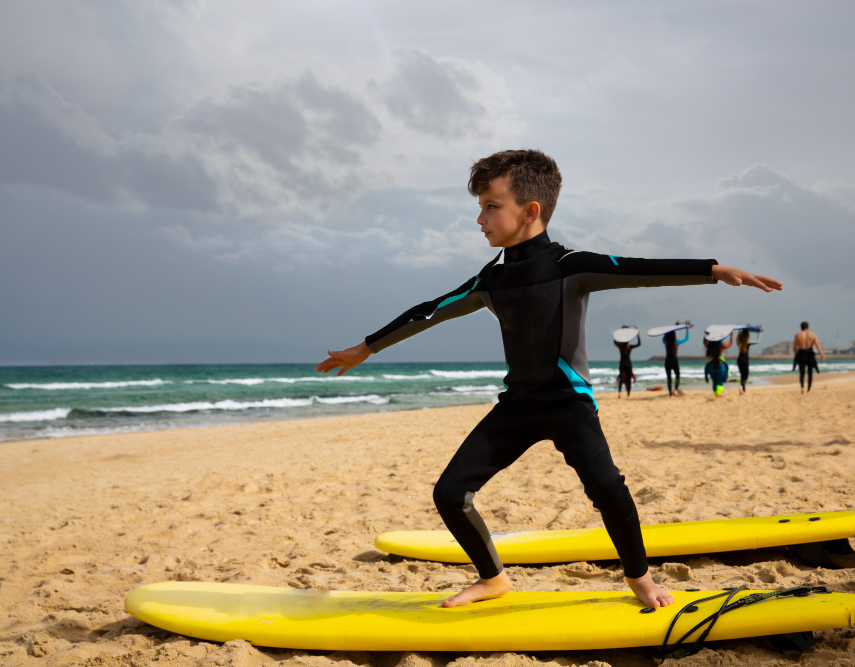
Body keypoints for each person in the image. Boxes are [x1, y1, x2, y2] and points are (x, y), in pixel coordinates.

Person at [317, 149, 782, 610]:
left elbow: (640, 269)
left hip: (569, 405)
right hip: (516, 407)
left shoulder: (569, 266)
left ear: (530, 211)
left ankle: (639, 578)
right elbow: (430, 311)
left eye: (490, 206)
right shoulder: (490, 279)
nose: (480, 218)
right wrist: (367, 348)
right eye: (480, 207)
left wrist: (713, 271)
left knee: (607, 487)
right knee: (450, 493)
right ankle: (493, 578)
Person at [793, 321, 825, 394]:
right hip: (810, 354)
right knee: (810, 373)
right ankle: (809, 390)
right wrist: (822, 354)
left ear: (801, 327)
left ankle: (802, 387)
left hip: (801, 354)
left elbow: (794, 348)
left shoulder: (798, 335)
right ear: (808, 327)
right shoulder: (813, 335)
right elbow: (817, 345)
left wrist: (796, 355)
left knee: (802, 373)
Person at [663, 324, 689, 397]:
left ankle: (670, 395)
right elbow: (686, 338)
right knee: (677, 375)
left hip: (667, 360)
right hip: (674, 360)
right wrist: (687, 330)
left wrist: (665, 332)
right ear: (674, 335)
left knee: (669, 377)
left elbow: (663, 339)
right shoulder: (676, 342)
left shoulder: (666, 342)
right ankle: (675, 390)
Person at [704, 332, 733, 397]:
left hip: (711, 366)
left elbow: (704, 342)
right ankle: (718, 393)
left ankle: (716, 395)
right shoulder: (722, 346)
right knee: (720, 381)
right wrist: (731, 334)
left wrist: (705, 335)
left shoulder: (710, 346)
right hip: (721, 365)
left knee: (714, 381)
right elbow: (731, 343)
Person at [614, 329, 639, 398]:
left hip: (622, 364)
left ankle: (619, 392)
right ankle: (628, 394)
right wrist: (638, 336)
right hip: (628, 364)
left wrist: (616, 335)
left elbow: (615, 342)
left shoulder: (620, 347)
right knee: (629, 379)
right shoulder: (629, 347)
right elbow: (638, 344)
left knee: (621, 379)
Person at [736, 329, 757, 395]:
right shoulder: (747, 343)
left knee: (742, 375)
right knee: (746, 375)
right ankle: (741, 386)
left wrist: (739, 332)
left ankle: (744, 391)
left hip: (739, 359)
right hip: (745, 360)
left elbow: (737, 339)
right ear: (747, 336)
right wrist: (759, 333)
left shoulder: (739, 343)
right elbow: (757, 341)